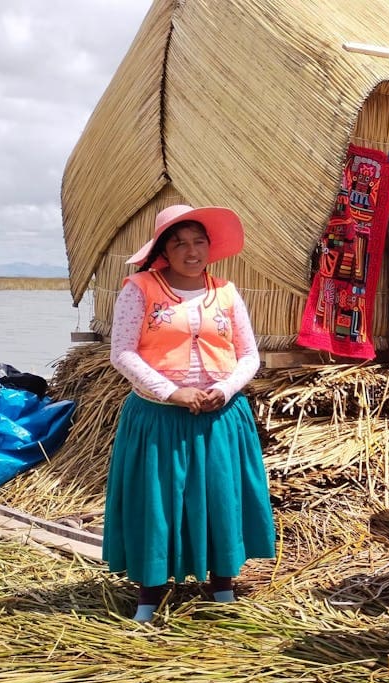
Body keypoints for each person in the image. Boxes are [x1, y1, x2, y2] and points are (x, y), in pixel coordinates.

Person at [104, 204, 276, 623]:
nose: (191, 250)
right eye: (179, 242)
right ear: (163, 249)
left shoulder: (227, 291)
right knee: (158, 500)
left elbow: (250, 355)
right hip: (158, 418)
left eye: (199, 241)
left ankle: (221, 587)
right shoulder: (140, 288)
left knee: (220, 495)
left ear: (210, 247)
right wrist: (171, 392)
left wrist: (223, 388)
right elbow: (122, 352)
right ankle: (150, 592)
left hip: (220, 415)